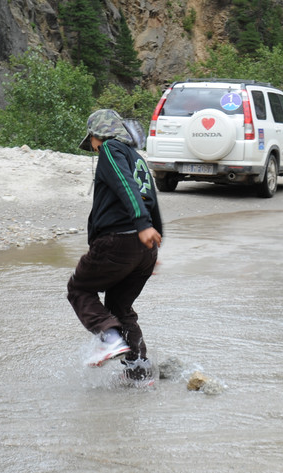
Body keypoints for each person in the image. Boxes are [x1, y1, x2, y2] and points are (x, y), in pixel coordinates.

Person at [67, 109, 162, 381]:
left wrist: (143, 224)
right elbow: (150, 195)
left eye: (92, 142)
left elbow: (124, 184)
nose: (94, 148)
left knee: (79, 288)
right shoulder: (138, 158)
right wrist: (153, 241)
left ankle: (110, 338)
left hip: (118, 240)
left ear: (99, 134)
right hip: (144, 249)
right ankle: (139, 371)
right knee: (120, 307)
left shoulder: (110, 148)